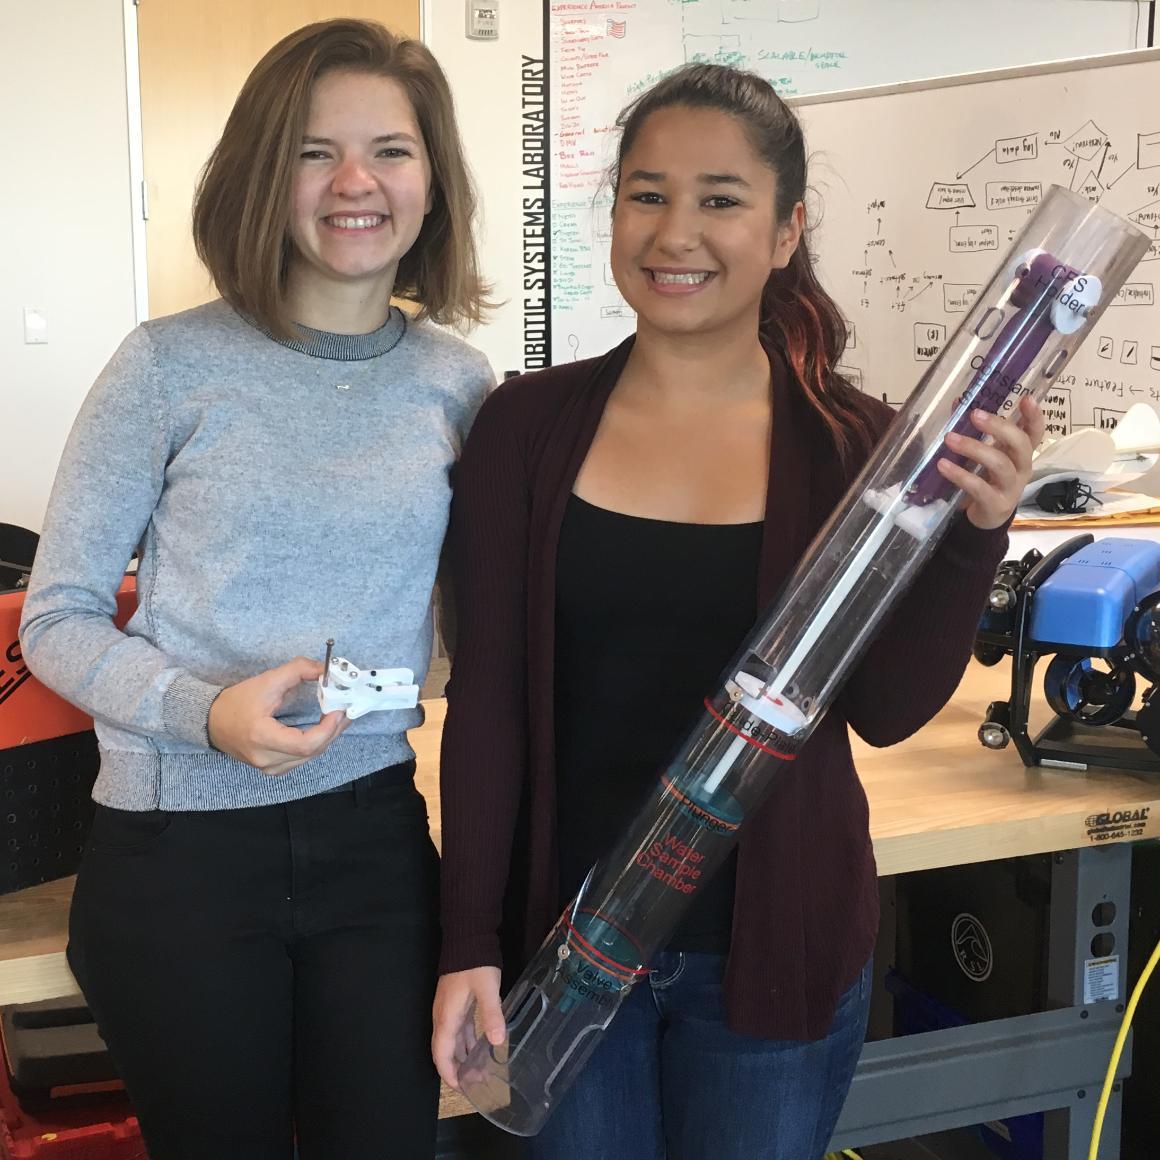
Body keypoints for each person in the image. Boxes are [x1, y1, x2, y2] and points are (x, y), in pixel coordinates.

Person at [431, 63, 1043, 1159]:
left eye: (720, 198)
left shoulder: (860, 446)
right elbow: (485, 701)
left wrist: (971, 532)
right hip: (566, 949)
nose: (676, 233)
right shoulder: (522, 429)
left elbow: (890, 709)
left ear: (784, 227)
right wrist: (467, 937)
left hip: (776, 952)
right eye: (645, 193)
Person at [20, 19, 493, 1160]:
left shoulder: (458, 384)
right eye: (311, 151)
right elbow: (56, 617)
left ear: (431, 179)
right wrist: (204, 710)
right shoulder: (166, 365)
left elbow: (489, 637)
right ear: (259, 173)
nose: (354, 184)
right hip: (179, 853)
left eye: (390, 149)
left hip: (373, 840)